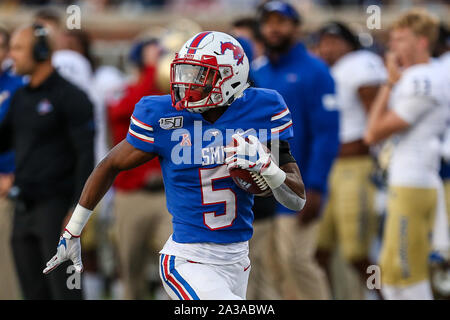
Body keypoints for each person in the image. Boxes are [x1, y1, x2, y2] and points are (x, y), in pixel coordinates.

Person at [43, 31, 306, 300]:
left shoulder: (264, 108)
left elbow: (296, 201)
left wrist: (269, 170)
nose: (187, 83)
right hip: (187, 260)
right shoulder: (162, 114)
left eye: (199, 75)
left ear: (231, 77)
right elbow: (109, 164)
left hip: (238, 258)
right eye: (185, 72)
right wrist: (73, 230)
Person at [251, 1, 339, 299]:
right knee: (272, 268)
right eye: (268, 22)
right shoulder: (258, 71)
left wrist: (315, 186)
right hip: (264, 188)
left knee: (298, 261)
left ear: (296, 27)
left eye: (281, 22)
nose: (273, 29)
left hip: (297, 184)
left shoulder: (315, 71)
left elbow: (326, 134)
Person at [0, 24, 95, 300]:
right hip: (23, 209)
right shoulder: (20, 97)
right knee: (32, 293)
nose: (11, 56)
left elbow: (86, 159)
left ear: (41, 51)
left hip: (57, 212)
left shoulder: (72, 97)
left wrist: (77, 214)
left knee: (65, 293)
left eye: (17, 48)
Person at [364, 9, 448, 300]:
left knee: (407, 272)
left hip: (413, 181)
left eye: (401, 39)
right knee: (390, 273)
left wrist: (388, 83)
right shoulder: (424, 74)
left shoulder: (421, 79)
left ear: (422, 42)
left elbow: (372, 133)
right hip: (409, 179)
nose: (393, 46)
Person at [314, 21, 386, 299]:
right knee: (319, 251)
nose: (327, 47)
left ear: (349, 43)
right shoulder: (323, 70)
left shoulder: (359, 63)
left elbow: (376, 116)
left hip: (355, 165)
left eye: (334, 41)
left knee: (357, 251)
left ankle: (386, 296)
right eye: (324, 41)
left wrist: (382, 159)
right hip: (327, 168)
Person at [107, 37, 171, 299]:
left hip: (166, 196)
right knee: (131, 271)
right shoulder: (123, 90)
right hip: (131, 195)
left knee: (177, 269)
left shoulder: (170, 95)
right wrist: (151, 70)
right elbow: (132, 110)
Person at [0, 25, 25, 300]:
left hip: (6, 186)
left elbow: (31, 141)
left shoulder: (19, 87)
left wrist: (15, 175)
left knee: (6, 275)